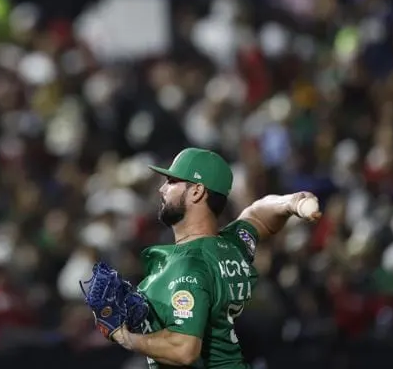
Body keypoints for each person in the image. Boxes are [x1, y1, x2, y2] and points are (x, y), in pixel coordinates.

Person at [109, 148, 322, 368]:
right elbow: (258, 213)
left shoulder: (188, 264)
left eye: (172, 181)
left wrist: (123, 336)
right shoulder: (232, 246)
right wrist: (293, 203)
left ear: (197, 191)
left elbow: (184, 350)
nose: (161, 189)